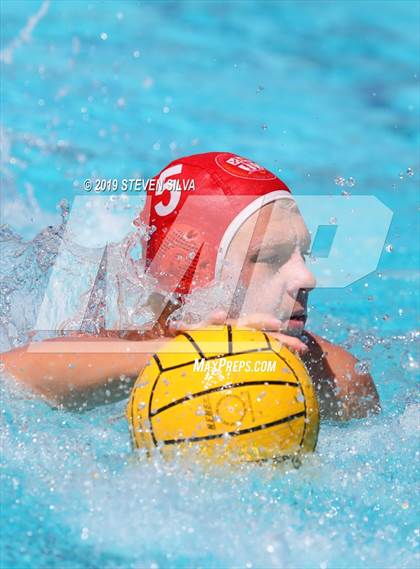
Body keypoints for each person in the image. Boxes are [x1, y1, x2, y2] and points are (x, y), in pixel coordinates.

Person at [1, 152, 380, 420]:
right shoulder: (114, 353)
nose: (307, 278)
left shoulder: (331, 375)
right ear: (198, 279)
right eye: (269, 257)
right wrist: (188, 353)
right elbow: (11, 378)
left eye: (303, 254)